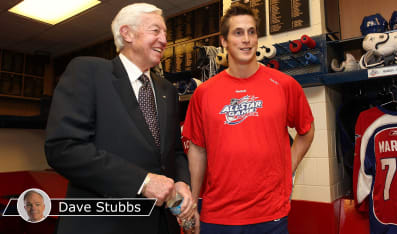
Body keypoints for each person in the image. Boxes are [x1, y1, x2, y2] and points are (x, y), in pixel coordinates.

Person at [45, 3, 194, 234]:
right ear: (127, 33)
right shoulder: (89, 72)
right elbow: (64, 148)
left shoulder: (167, 90)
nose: (164, 40)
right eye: (155, 31)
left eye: (165, 33)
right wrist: (142, 182)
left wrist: (183, 182)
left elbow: (174, 151)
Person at [182, 4, 315, 234]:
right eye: (238, 32)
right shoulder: (204, 93)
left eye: (251, 32)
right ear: (223, 41)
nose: (247, 39)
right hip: (218, 216)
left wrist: (288, 170)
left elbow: (307, 131)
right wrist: (193, 201)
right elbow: (197, 149)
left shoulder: (284, 85)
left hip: (270, 214)